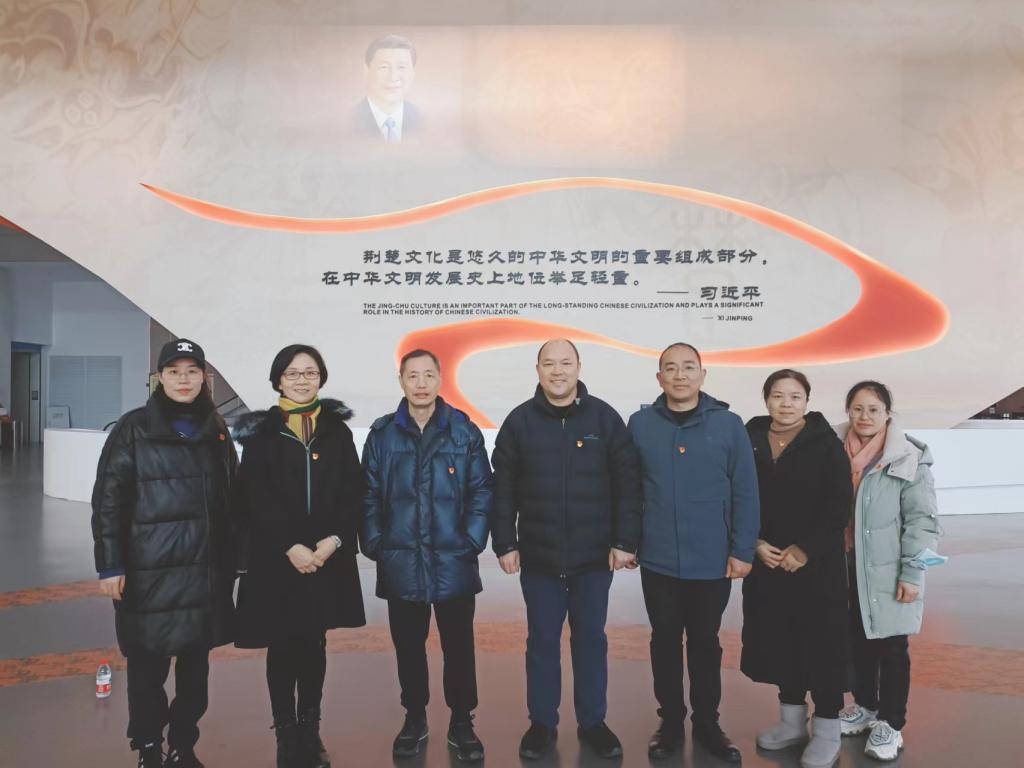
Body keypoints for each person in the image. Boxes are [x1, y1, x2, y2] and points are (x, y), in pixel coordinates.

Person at [491, 339, 641, 761]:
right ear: (537, 369)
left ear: (579, 367)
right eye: (549, 364)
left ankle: (593, 723)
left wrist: (625, 541)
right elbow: (501, 489)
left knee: (591, 640)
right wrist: (505, 542)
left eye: (566, 363)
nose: (558, 371)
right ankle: (542, 723)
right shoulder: (519, 422)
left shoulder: (604, 419)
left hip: (594, 558)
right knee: (541, 641)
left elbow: (628, 485)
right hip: (539, 558)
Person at [91, 339, 237, 768]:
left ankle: (183, 746)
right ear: (159, 378)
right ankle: (149, 748)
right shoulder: (133, 428)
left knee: (195, 673)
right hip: (147, 575)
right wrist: (110, 564)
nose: (183, 380)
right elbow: (108, 501)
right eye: (174, 372)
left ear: (204, 378)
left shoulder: (216, 429)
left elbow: (232, 499)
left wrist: (238, 561)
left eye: (192, 371)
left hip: (203, 573)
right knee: (147, 670)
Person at [232, 344, 366, 768]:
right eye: (292, 373)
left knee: (314, 643)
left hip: (325, 557)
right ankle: (286, 734)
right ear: (278, 380)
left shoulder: (337, 431)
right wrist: (289, 545)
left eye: (310, 372)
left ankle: (310, 729)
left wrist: (335, 540)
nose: (302, 380)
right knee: (282, 644)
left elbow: (353, 491)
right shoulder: (261, 433)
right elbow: (253, 496)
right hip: (278, 559)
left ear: (321, 378)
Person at [626, 342, 758, 763]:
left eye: (688, 367)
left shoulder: (729, 425)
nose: (679, 375)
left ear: (703, 374)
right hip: (659, 557)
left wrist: (742, 549)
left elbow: (745, 490)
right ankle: (669, 723)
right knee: (664, 640)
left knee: (704, 641)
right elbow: (629, 488)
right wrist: (627, 541)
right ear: (659, 377)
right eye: (670, 368)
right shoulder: (640, 424)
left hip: (711, 557)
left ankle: (707, 724)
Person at [361, 348, 492, 763]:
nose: (420, 383)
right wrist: (377, 543)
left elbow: (482, 491)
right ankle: (414, 717)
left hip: (454, 559)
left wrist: (471, 541)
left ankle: (462, 720)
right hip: (401, 560)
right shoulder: (383, 434)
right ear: (401, 380)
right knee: (408, 646)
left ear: (440, 379)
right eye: (412, 376)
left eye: (428, 375)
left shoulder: (463, 431)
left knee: (459, 646)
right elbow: (368, 495)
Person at [742, 370, 852, 768]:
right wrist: (754, 543)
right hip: (767, 561)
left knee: (822, 646)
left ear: (807, 401)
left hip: (816, 568)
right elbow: (737, 493)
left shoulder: (826, 443)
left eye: (795, 396)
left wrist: (806, 550)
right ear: (766, 399)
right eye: (778, 395)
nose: (786, 403)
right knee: (780, 642)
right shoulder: (750, 437)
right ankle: (791, 724)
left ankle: (827, 730)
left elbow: (838, 504)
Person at [836, 381, 941, 761]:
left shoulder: (908, 456)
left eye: (873, 409)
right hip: (845, 565)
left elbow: (922, 522)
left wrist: (912, 574)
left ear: (887, 413)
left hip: (889, 569)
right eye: (857, 408)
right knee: (857, 640)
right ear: (848, 411)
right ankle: (866, 706)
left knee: (893, 646)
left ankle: (891, 723)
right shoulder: (832, 449)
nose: (864, 416)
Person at [353, 34, 420, 141]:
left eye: (401, 67)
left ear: (412, 73)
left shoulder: (422, 119)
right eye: (383, 67)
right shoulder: (349, 119)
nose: (393, 77)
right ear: (367, 71)